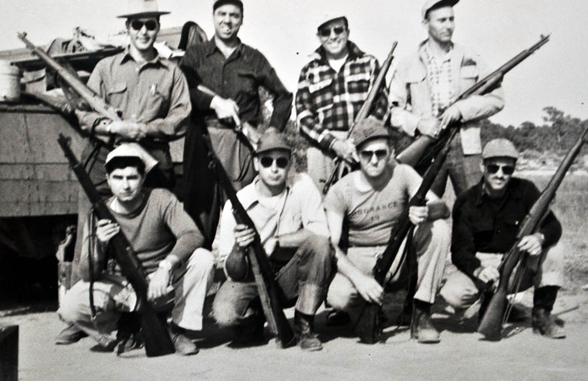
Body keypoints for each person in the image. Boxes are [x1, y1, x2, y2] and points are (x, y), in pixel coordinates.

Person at [60, 0, 193, 344]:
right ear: (127, 28)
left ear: (158, 28)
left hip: (152, 162)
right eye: (138, 24)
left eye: (151, 24)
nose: (145, 31)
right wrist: (113, 127)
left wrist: (146, 130)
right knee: (93, 231)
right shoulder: (106, 68)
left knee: (154, 234)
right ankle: (85, 314)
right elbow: (83, 113)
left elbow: (181, 116)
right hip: (109, 160)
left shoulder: (171, 73)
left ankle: (158, 311)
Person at [57, 144, 215, 355]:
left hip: (161, 284)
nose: (125, 185)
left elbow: (192, 234)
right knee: (70, 306)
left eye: (132, 177)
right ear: (108, 179)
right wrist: (99, 247)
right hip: (122, 287)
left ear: (142, 178)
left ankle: (177, 330)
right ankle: (126, 326)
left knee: (203, 259)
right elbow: (87, 274)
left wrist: (166, 267)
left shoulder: (161, 198)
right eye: (118, 178)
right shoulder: (98, 213)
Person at [324, 117, 451, 343]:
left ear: (390, 152)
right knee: (338, 297)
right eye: (367, 154)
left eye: (380, 153)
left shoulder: (403, 173)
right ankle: (367, 309)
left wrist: (426, 213)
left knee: (439, 229)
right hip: (358, 259)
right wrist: (359, 279)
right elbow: (331, 246)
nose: (375, 160)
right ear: (356, 153)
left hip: (399, 256)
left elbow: (442, 208)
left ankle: (420, 312)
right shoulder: (340, 190)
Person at [179, 0, 293, 239]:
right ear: (213, 17)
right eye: (222, 14)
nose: (227, 21)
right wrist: (213, 102)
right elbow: (181, 89)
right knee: (200, 215)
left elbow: (283, 96)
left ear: (241, 20)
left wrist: (271, 133)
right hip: (202, 140)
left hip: (241, 144)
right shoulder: (195, 55)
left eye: (234, 16)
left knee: (243, 211)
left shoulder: (253, 58)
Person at [212, 130, 334, 351]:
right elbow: (232, 272)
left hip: (289, 274)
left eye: (281, 161)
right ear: (257, 163)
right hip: (251, 280)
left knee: (320, 246)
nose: (274, 168)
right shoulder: (238, 202)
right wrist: (240, 249)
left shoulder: (303, 185)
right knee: (225, 315)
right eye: (267, 161)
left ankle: (304, 324)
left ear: (289, 164)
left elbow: (321, 232)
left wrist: (277, 242)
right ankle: (255, 319)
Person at [439, 139, 565, 338]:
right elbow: (460, 251)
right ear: (482, 166)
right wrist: (478, 269)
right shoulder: (466, 201)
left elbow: (553, 226)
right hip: (483, 265)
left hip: (518, 265)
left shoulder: (526, 190)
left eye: (507, 169)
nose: (500, 174)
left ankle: (541, 314)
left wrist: (539, 238)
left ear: (514, 169)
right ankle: (493, 302)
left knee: (555, 248)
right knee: (452, 294)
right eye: (493, 167)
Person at [388, 0, 504, 198]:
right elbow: (394, 111)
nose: (448, 25)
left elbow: (497, 99)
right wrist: (419, 124)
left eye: (451, 19)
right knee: (421, 208)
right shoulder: (408, 63)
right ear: (426, 23)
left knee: (475, 208)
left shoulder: (471, 57)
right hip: (427, 145)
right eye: (441, 20)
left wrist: (461, 109)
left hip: (465, 144)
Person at [296, 13, 388, 193]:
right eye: (325, 32)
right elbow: (303, 116)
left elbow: (382, 107)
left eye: (338, 29)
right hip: (323, 148)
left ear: (348, 31)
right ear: (319, 36)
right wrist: (335, 144)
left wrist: (362, 140)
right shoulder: (309, 70)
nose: (332, 36)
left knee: (367, 202)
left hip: (363, 145)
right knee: (323, 208)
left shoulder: (369, 63)